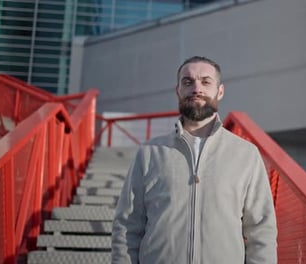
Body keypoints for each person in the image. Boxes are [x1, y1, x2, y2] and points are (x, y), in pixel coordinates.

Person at [111, 56, 277, 264]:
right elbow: (127, 225)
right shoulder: (149, 153)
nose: (196, 88)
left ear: (220, 91)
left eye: (206, 82)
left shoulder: (246, 154)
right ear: (178, 90)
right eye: (188, 82)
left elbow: (261, 230)